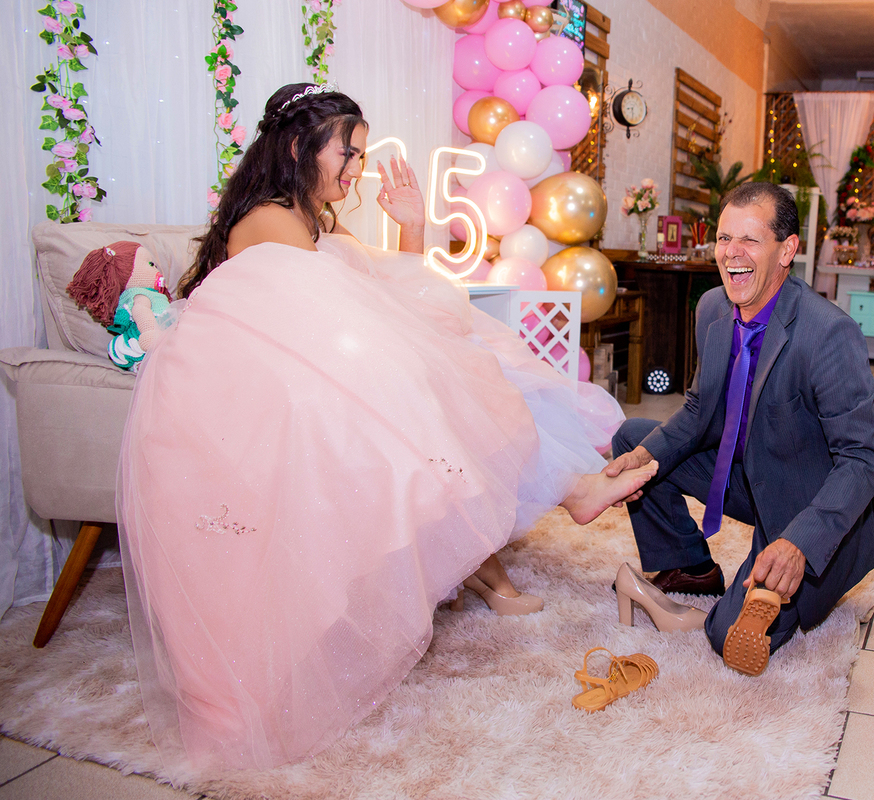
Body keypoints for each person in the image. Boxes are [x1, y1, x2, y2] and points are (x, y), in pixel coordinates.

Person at [117, 83, 657, 770]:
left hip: (322, 356)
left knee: (473, 359)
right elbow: (345, 319)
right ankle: (537, 516)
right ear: (297, 147)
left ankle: (550, 500)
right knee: (428, 384)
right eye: (348, 153)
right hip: (256, 377)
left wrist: (409, 226)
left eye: (361, 156)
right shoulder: (266, 220)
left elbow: (393, 293)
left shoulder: (314, 222)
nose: (356, 171)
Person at [605, 182, 874, 675]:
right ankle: (691, 565)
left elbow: (862, 462)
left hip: (804, 504)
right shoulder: (712, 308)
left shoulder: (828, 333)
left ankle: (774, 583)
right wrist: (646, 458)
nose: (732, 253)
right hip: (745, 474)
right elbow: (698, 409)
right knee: (636, 439)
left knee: (723, 632)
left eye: (750, 241)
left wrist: (800, 541)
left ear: (787, 250)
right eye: (723, 238)